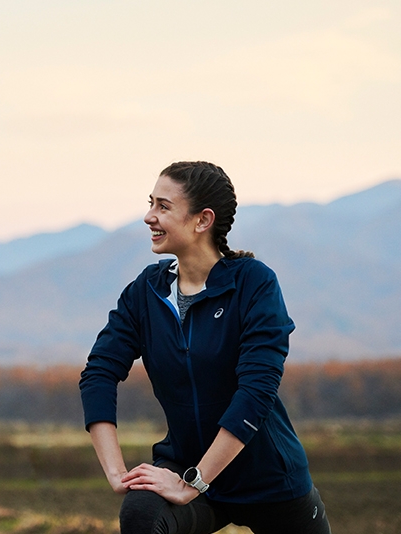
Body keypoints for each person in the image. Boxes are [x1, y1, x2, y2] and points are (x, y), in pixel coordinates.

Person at [79, 161, 331, 534]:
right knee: (141, 515)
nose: (149, 216)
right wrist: (117, 472)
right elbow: (98, 373)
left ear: (202, 220)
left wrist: (195, 482)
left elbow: (256, 391)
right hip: (183, 468)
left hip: (269, 480)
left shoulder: (254, 284)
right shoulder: (146, 291)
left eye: (163, 206)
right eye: (151, 203)